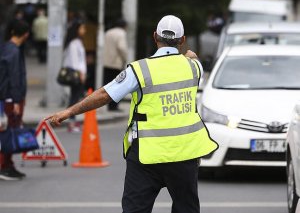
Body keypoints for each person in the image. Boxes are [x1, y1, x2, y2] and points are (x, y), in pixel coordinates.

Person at [47, 15, 218, 213]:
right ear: (182, 39)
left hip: (147, 156)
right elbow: (193, 59)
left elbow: (105, 94)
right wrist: (191, 56)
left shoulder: (139, 70)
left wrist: (69, 111)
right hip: (185, 155)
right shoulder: (194, 67)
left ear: (155, 37)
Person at [0, 19, 29, 180]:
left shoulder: (6, 48)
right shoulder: (14, 51)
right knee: (9, 132)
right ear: (26, 34)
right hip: (11, 99)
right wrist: (17, 100)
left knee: (7, 131)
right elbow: (14, 78)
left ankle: (8, 164)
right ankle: (5, 166)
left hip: (7, 98)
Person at [62, 20, 87, 133]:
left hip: (79, 73)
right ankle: (71, 122)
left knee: (75, 97)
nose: (84, 31)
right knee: (74, 98)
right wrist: (81, 74)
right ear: (77, 30)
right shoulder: (73, 43)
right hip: (76, 74)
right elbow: (75, 61)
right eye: (82, 28)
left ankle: (72, 121)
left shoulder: (78, 42)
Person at [103, 18, 128, 111]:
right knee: (117, 85)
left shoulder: (108, 32)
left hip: (106, 62)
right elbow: (121, 47)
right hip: (116, 63)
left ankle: (109, 105)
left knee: (108, 85)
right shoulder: (121, 33)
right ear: (124, 26)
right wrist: (125, 57)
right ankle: (114, 106)